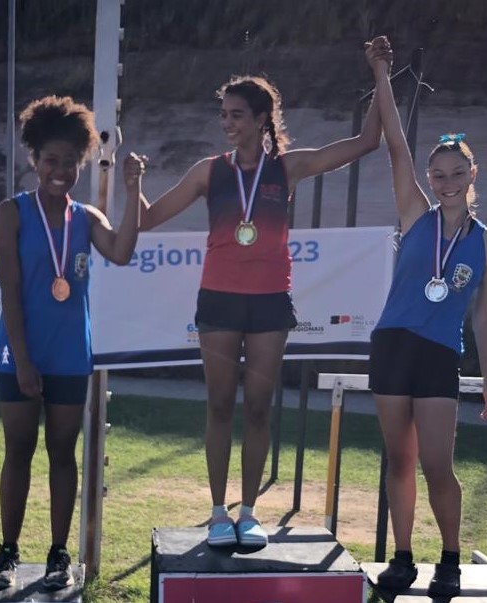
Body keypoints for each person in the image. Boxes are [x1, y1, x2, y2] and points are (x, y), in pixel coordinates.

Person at [136, 39, 391, 548]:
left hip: (271, 302)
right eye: (223, 114)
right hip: (219, 301)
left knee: (257, 407)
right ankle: (215, 513)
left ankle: (248, 512)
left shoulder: (287, 168)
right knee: (218, 407)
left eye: (235, 114)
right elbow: (146, 219)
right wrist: (128, 185)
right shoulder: (209, 171)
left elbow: (366, 142)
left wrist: (381, 73)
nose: (226, 122)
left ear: (259, 119)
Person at [0, 95, 144, 591]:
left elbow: (120, 252)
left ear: (80, 163)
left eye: (69, 162)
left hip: (71, 355)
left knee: (62, 453)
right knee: (19, 450)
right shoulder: (10, 214)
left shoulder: (86, 216)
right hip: (21, 354)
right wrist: (25, 360)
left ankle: (59, 556)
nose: (60, 171)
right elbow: (10, 292)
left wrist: (134, 190)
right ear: (33, 160)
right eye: (50, 161)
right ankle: (8, 553)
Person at [366, 37, 487, 598]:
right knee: (397, 459)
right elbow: (395, 145)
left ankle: (449, 558)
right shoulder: (414, 214)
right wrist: (381, 72)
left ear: (473, 175)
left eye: (456, 173)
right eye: (438, 175)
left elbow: (486, 317)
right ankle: (402, 557)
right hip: (392, 344)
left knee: (435, 464)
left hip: (438, 355)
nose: (445, 183)